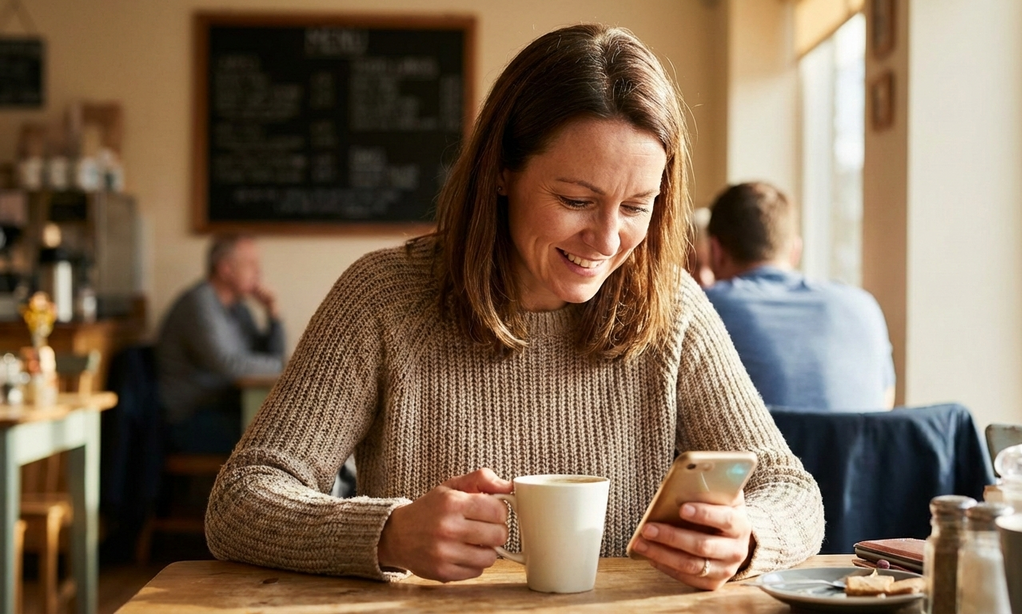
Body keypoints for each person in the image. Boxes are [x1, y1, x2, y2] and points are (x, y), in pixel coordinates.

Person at [205, 24, 823, 591]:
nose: (607, 241)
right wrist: (389, 532)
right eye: (577, 200)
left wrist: (746, 539)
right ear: (502, 172)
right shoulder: (383, 297)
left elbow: (791, 491)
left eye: (637, 207)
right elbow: (239, 501)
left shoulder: (672, 307)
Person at [704, 182, 895, 410]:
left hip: (761, 446)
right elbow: (884, 403)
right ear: (795, 250)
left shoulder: (704, 308)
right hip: (856, 447)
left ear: (716, 252)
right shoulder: (863, 306)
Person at [156, 234, 285, 454]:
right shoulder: (199, 303)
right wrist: (287, 366)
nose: (258, 272)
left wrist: (273, 315)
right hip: (191, 419)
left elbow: (267, 356)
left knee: (286, 427)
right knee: (277, 438)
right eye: (251, 264)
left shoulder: (238, 309)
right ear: (225, 269)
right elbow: (228, 366)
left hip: (225, 408)